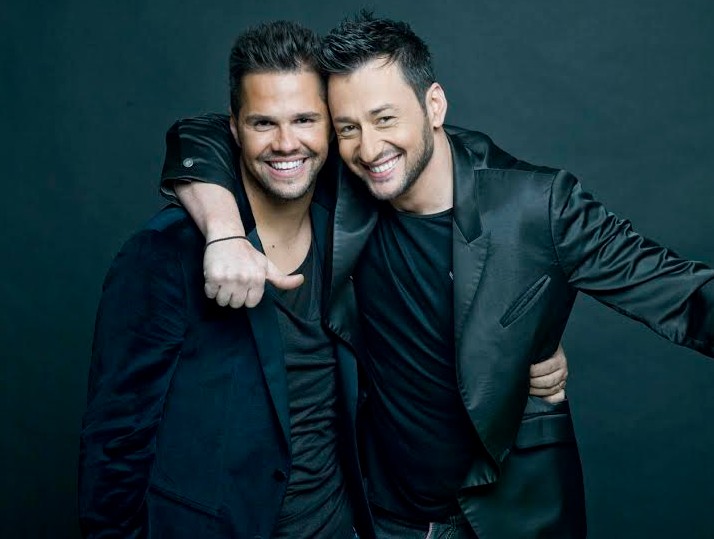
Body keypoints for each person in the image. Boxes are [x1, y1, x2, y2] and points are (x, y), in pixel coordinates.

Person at [154, 16, 675, 539]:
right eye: (348, 128)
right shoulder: (346, 183)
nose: (369, 148)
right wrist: (224, 233)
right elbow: (202, 134)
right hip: (386, 520)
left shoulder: (536, 205)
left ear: (434, 106)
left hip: (517, 515)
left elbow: (678, 291)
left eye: (385, 118)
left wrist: (523, 344)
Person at [79, 21, 373, 539]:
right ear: (234, 129)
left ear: (330, 125)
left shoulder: (351, 225)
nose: (286, 143)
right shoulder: (164, 254)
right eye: (263, 123)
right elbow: (115, 443)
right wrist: (223, 233)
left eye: (305, 119)